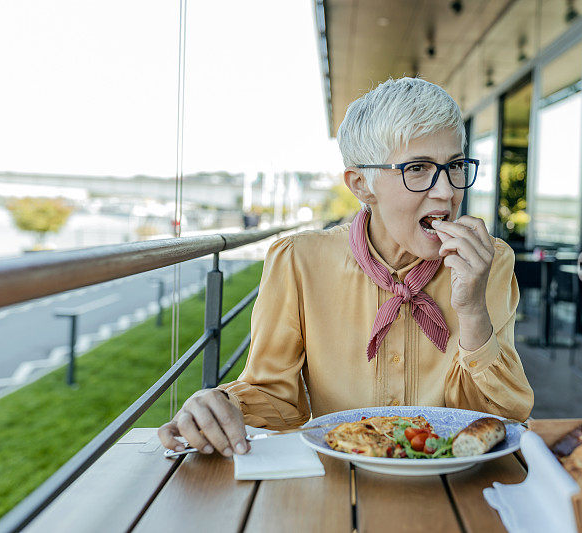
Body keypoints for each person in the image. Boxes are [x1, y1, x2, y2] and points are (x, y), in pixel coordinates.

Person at [158, 77, 534, 456]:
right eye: (418, 168)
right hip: (340, 480)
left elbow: (500, 420)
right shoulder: (298, 261)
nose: (448, 191)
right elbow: (274, 396)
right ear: (361, 185)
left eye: (454, 166)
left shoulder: (489, 261)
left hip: (454, 483)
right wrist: (223, 404)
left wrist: (471, 311)